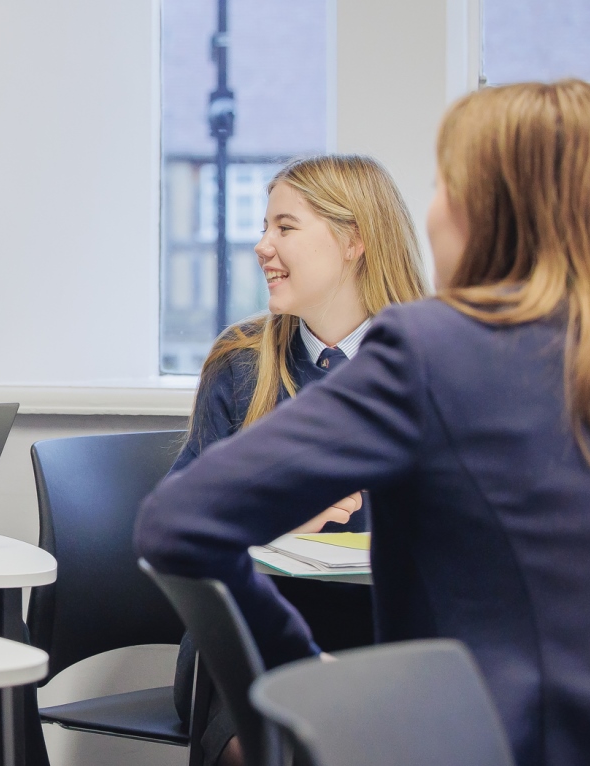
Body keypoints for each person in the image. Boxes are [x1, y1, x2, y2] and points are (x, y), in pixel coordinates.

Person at [136, 79, 590, 765]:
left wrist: (300, 670)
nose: (430, 214)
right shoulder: (252, 360)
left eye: (442, 186)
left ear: (484, 212)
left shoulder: (432, 349)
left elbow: (179, 521)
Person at [168, 154, 427, 765]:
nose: (262, 245)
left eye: (285, 228)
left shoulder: (433, 364)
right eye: (264, 227)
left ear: (354, 240)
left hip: (392, 638)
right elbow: (177, 543)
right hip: (246, 641)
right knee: (262, 748)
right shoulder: (239, 365)